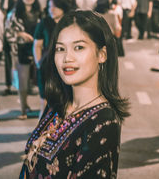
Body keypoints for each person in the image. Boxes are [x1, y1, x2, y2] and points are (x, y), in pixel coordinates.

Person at [20, 10, 130, 178]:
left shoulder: (104, 121)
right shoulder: (58, 104)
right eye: (60, 48)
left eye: (78, 47)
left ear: (102, 54)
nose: (66, 58)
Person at [33, 0, 74, 118]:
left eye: (55, 7)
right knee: (45, 103)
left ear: (63, 7)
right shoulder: (44, 22)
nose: (52, 9)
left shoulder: (70, 22)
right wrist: (38, 63)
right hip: (47, 66)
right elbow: (37, 45)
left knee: (66, 101)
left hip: (66, 65)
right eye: (50, 6)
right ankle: (41, 133)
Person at [5, 0, 41, 119]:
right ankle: (23, 109)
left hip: (38, 50)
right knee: (23, 80)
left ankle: (33, 106)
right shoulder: (14, 14)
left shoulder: (39, 12)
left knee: (37, 81)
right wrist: (20, 34)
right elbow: (8, 33)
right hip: (22, 50)